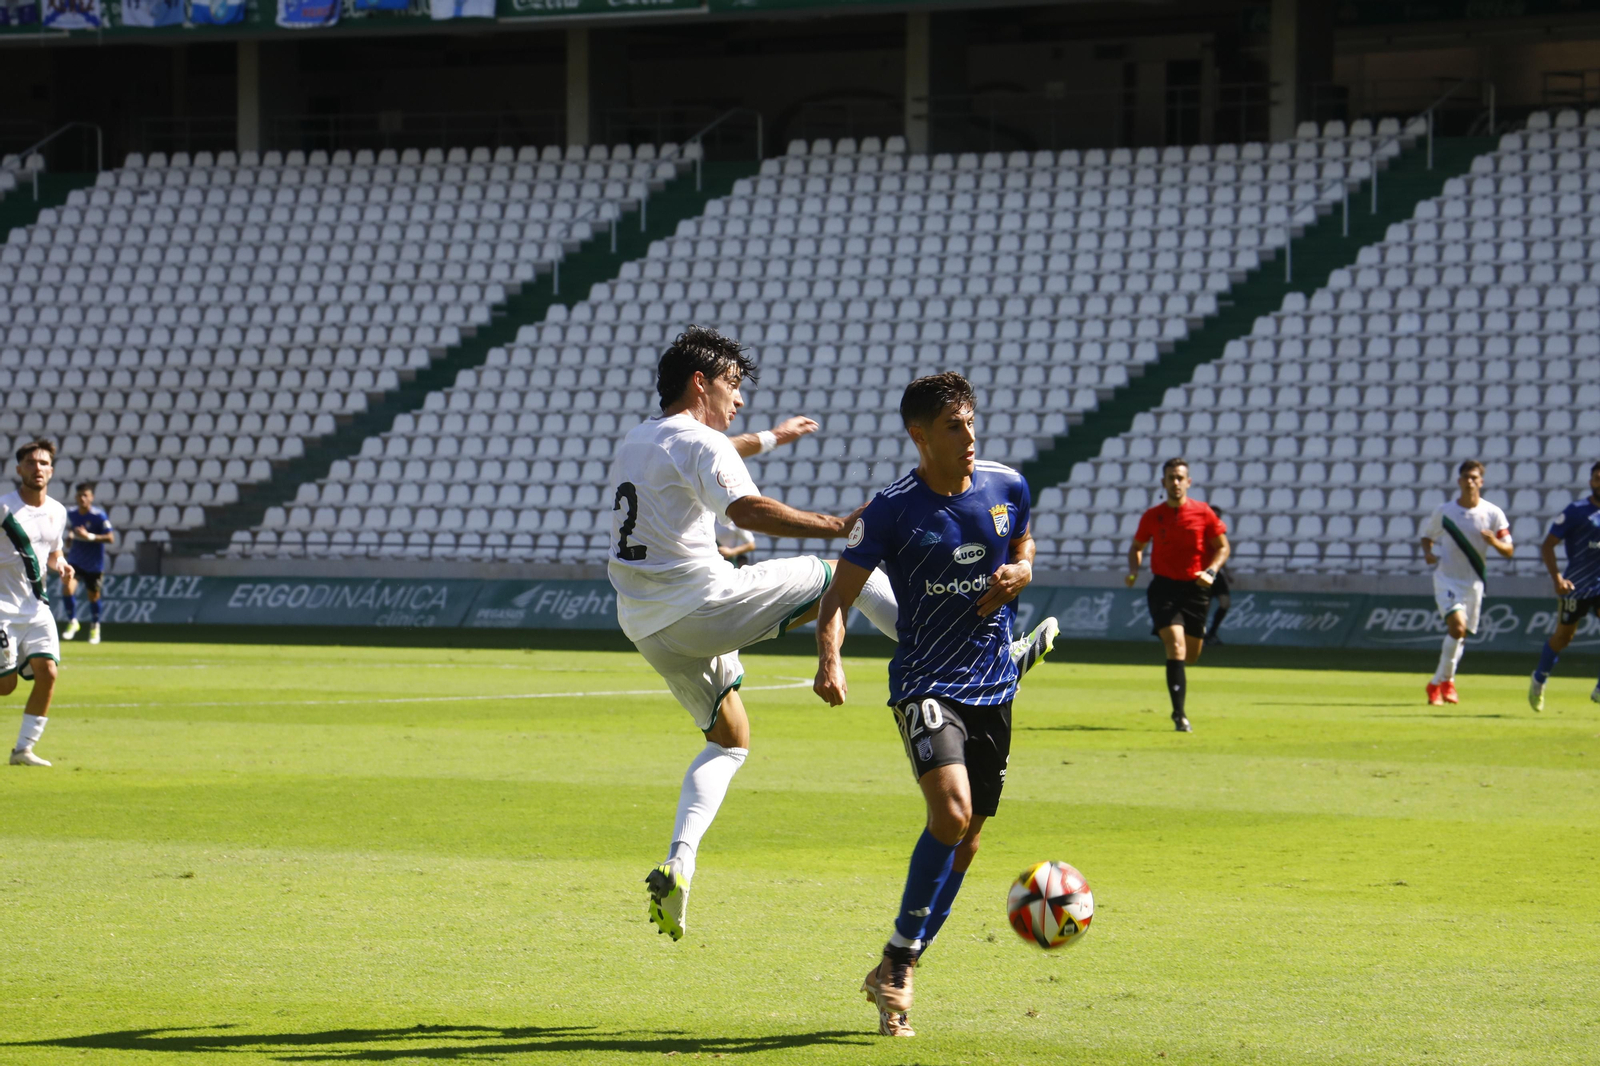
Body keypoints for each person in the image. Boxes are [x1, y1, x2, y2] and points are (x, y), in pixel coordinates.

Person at [608, 327, 905, 943]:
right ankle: (963, 652)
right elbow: (743, 509)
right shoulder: (701, 443)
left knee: (729, 741)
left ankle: (679, 865)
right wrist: (837, 525)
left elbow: (718, 450)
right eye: (732, 385)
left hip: (646, 624)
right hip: (702, 606)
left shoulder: (642, 438)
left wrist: (774, 437)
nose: (739, 399)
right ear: (701, 383)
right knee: (846, 572)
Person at [813, 372, 1040, 1039]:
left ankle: (898, 962)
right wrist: (830, 660)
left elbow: (1022, 542)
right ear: (919, 435)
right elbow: (838, 597)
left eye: (971, 421)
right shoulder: (891, 511)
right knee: (952, 812)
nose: (969, 436)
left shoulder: (1008, 486)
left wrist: (1023, 569)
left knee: (968, 841)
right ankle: (900, 964)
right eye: (952, 426)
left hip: (994, 685)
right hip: (926, 682)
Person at [1124, 459, 1229, 732]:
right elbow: (1136, 547)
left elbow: (1223, 547)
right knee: (1176, 647)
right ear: (1163, 482)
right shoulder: (1152, 516)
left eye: (1180, 477)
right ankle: (1179, 715)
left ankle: (1180, 706)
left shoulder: (1203, 512)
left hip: (1196, 589)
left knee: (1191, 656)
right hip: (1163, 589)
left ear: (1188, 482)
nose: (1175, 482)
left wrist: (1212, 571)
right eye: (1171, 477)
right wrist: (1133, 571)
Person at [1419, 460, 1514, 706]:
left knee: (1460, 636)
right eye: (1466, 477)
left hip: (1474, 583)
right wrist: (1428, 553)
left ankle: (1436, 683)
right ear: (1459, 481)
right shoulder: (1445, 511)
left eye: (1474, 477)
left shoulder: (1492, 513)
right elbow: (1427, 536)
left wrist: (1494, 542)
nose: (1470, 481)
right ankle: (1448, 683)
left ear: (1481, 481)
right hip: (1447, 579)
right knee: (1458, 628)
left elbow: (1509, 550)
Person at [2, 439, 72, 767]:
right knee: (5, 686)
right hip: (3, 608)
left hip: (37, 607)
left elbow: (53, 552)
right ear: (19, 470)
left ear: (51, 471)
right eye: (30, 463)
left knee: (48, 673)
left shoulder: (57, 511)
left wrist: (62, 565)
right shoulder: (4, 508)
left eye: (43, 463)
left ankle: (23, 750)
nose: (37, 468)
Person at [1527, 461, 1600, 712]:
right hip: (1575, 585)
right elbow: (1548, 545)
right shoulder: (1576, 511)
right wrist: (1557, 578)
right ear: (1591, 482)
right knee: (1563, 638)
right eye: (1597, 478)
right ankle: (1539, 679)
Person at [62, 482, 114, 644]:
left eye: (85, 495)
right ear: (76, 497)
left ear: (91, 497)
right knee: (67, 588)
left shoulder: (99, 516)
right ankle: (73, 622)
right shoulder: (71, 514)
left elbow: (110, 538)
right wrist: (70, 537)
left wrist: (89, 536)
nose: (82, 498)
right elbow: (72, 530)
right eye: (79, 495)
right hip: (76, 561)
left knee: (93, 596)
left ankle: (95, 627)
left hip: (94, 564)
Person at [1202, 506, 1232, 645]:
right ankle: (1201, 636)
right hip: (1203, 572)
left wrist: (1227, 573)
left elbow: (1221, 553)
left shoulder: (1219, 533)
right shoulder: (1200, 532)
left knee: (1225, 603)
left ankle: (1212, 632)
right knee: (1204, 607)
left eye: (1218, 516)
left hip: (1216, 572)